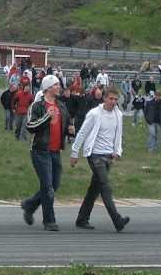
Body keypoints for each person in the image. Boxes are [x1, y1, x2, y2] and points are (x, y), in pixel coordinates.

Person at [71, 86, 129, 232]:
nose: (113, 102)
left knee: (94, 189)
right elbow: (82, 132)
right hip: (95, 154)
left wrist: (117, 151)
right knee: (105, 185)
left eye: (116, 99)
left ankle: (82, 219)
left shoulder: (118, 115)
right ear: (104, 98)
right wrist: (74, 152)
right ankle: (117, 220)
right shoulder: (95, 114)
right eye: (111, 99)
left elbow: (118, 135)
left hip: (108, 155)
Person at [21, 75, 73, 231]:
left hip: (56, 151)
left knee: (53, 185)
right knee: (48, 187)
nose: (59, 87)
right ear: (48, 88)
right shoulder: (37, 106)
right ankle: (49, 221)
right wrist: (46, 117)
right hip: (40, 151)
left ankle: (29, 205)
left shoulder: (61, 105)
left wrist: (70, 131)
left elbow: (67, 122)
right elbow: (30, 126)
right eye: (56, 85)